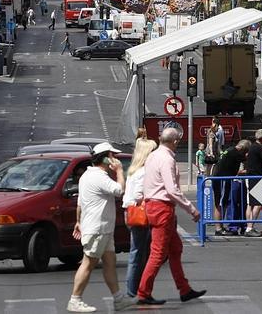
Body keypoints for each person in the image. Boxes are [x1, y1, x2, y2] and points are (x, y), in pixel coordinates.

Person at [137, 127, 206, 306]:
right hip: (162, 208)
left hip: (154, 205)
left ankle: (184, 289)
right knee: (158, 253)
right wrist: (192, 209)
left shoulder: (152, 156)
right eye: (178, 141)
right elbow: (172, 189)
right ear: (174, 142)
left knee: (175, 248)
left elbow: (147, 181)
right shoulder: (167, 159)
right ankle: (143, 292)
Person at [68, 142, 136, 313]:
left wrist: (78, 221)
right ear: (105, 158)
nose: (115, 159)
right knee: (88, 264)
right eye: (113, 156)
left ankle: (118, 299)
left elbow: (80, 203)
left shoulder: (88, 175)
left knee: (110, 263)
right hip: (97, 228)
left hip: (103, 228)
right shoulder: (99, 176)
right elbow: (120, 190)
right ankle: (75, 299)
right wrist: (120, 171)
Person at [122, 138, 157, 298]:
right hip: (139, 212)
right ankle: (134, 290)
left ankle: (135, 289)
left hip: (130, 211)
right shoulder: (143, 172)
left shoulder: (133, 170)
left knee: (137, 252)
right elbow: (138, 195)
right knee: (138, 253)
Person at [214, 140, 251, 236]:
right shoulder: (235, 153)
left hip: (221, 178)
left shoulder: (230, 150)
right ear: (242, 149)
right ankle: (218, 228)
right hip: (222, 179)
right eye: (246, 151)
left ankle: (220, 226)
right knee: (220, 203)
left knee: (223, 202)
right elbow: (247, 159)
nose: (245, 153)